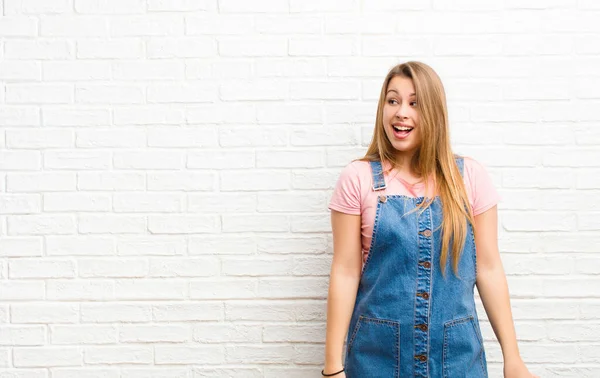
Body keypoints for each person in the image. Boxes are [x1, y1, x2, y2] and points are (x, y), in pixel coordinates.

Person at [322, 61, 539, 378]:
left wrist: (513, 358)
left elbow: (489, 268)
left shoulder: (469, 178)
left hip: (457, 359)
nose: (401, 112)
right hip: (376, 359)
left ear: (434, 112)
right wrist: (332, 366)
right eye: (393, 100)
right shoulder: (358, 178)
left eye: (414, 103)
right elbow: (344, 271)